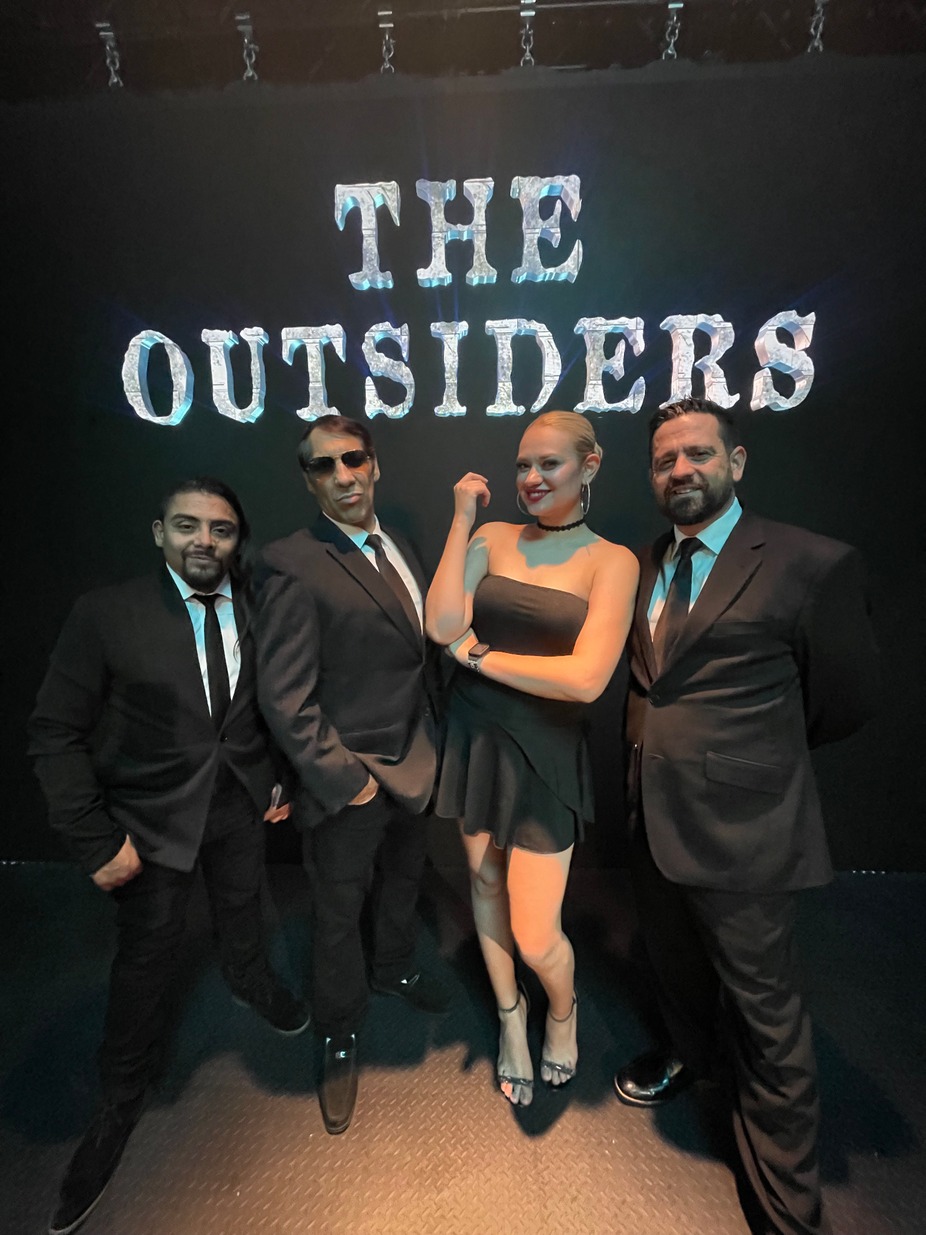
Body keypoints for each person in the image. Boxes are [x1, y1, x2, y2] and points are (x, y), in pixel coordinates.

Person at [614, 398, 880, 1235]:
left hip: (745, 830)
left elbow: (845, 699)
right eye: (665, 460)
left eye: (697, 453)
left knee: (769, 1020)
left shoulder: (810, 561)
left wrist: (747, 764)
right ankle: (693, 1061)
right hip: (651, 818)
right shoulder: (650, 559)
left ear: (736, 462)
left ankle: (787, 1208)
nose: (680, 470)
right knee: (677, 973)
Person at [29, 477, 308, 1235]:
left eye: (221, 529)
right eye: (187, 526)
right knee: (147, 959)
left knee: (243, 907)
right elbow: (54, 733)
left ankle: (250, 981)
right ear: (159, 533)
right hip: (148, 824)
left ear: (237, 540)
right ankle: (118, 1102)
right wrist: (93, 837)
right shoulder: (106, 613)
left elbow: (264, 708)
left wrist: (276, 776)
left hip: (239, 808)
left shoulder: (257, 604)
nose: (204, 541)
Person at [426, 410, 639, 1106]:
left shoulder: (612, 561)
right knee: (483, 881)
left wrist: (480, 658)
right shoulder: (490, 536)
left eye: (549, 464)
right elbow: (441, 624)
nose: (532, 478)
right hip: (476, 738)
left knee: (537, 932)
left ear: (589, 465)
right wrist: (461, 519)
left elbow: (585, 679)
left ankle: (562, 1011)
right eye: (523, 465)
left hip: (546, 751)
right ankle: (511, 1018)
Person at [252, 415, 447, 1137]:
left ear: (374, 465)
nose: (342, 475)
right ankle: (338, 1029)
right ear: (307, 480)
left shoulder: (400, 547)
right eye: (322, 465)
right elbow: (284, 697)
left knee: (404, 879)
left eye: (353, 459)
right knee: (336, 912)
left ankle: (393, 966)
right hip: (351, 778)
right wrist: (346, 779)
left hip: (419, 761)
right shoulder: (289, 562)